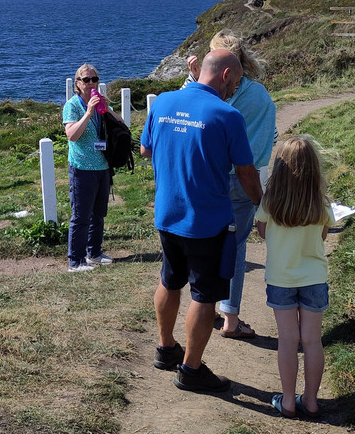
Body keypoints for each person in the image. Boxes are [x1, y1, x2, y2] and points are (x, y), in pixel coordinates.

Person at [139, 49, 263, 392]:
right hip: (206, 221)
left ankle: (166, 349)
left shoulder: (162, 102)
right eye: (235, 83)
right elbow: (246, 172)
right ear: (225, 76)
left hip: (167, 214)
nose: (233, 89)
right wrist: (262, 205)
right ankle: (191, 370)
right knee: (205, 295)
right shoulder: (228, 115)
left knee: (169, 279)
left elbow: (146, 149)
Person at [185, 30, 276, 339]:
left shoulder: (202, 92)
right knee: (235, 249)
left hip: (206, 179)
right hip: (241, 181)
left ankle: (204, 307)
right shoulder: (259, 95)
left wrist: (192, 81)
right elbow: (262, 147)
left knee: (202, 245)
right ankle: (230, 318)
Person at [256, 135, 333, 418]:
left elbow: (263, 232)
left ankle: (288, 400)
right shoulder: (321, 203)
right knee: (312, 340)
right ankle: (311, 400)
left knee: (287, 340)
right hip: (313, 279)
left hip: (281, 279)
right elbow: (323, 236)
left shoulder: (271, 201)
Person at [63, 63, 122, 273]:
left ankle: (94, 253)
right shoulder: (72, 106)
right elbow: (72, 135)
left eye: (94, 79)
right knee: (81, 215)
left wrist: (107, 110)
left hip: (102, 167)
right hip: (82, 167)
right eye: (86, 80)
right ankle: (75, 260)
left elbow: (122, 124)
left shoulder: (100, 105)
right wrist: (88, 113)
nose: (91, 83)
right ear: (77, 84)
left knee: (99, 213)